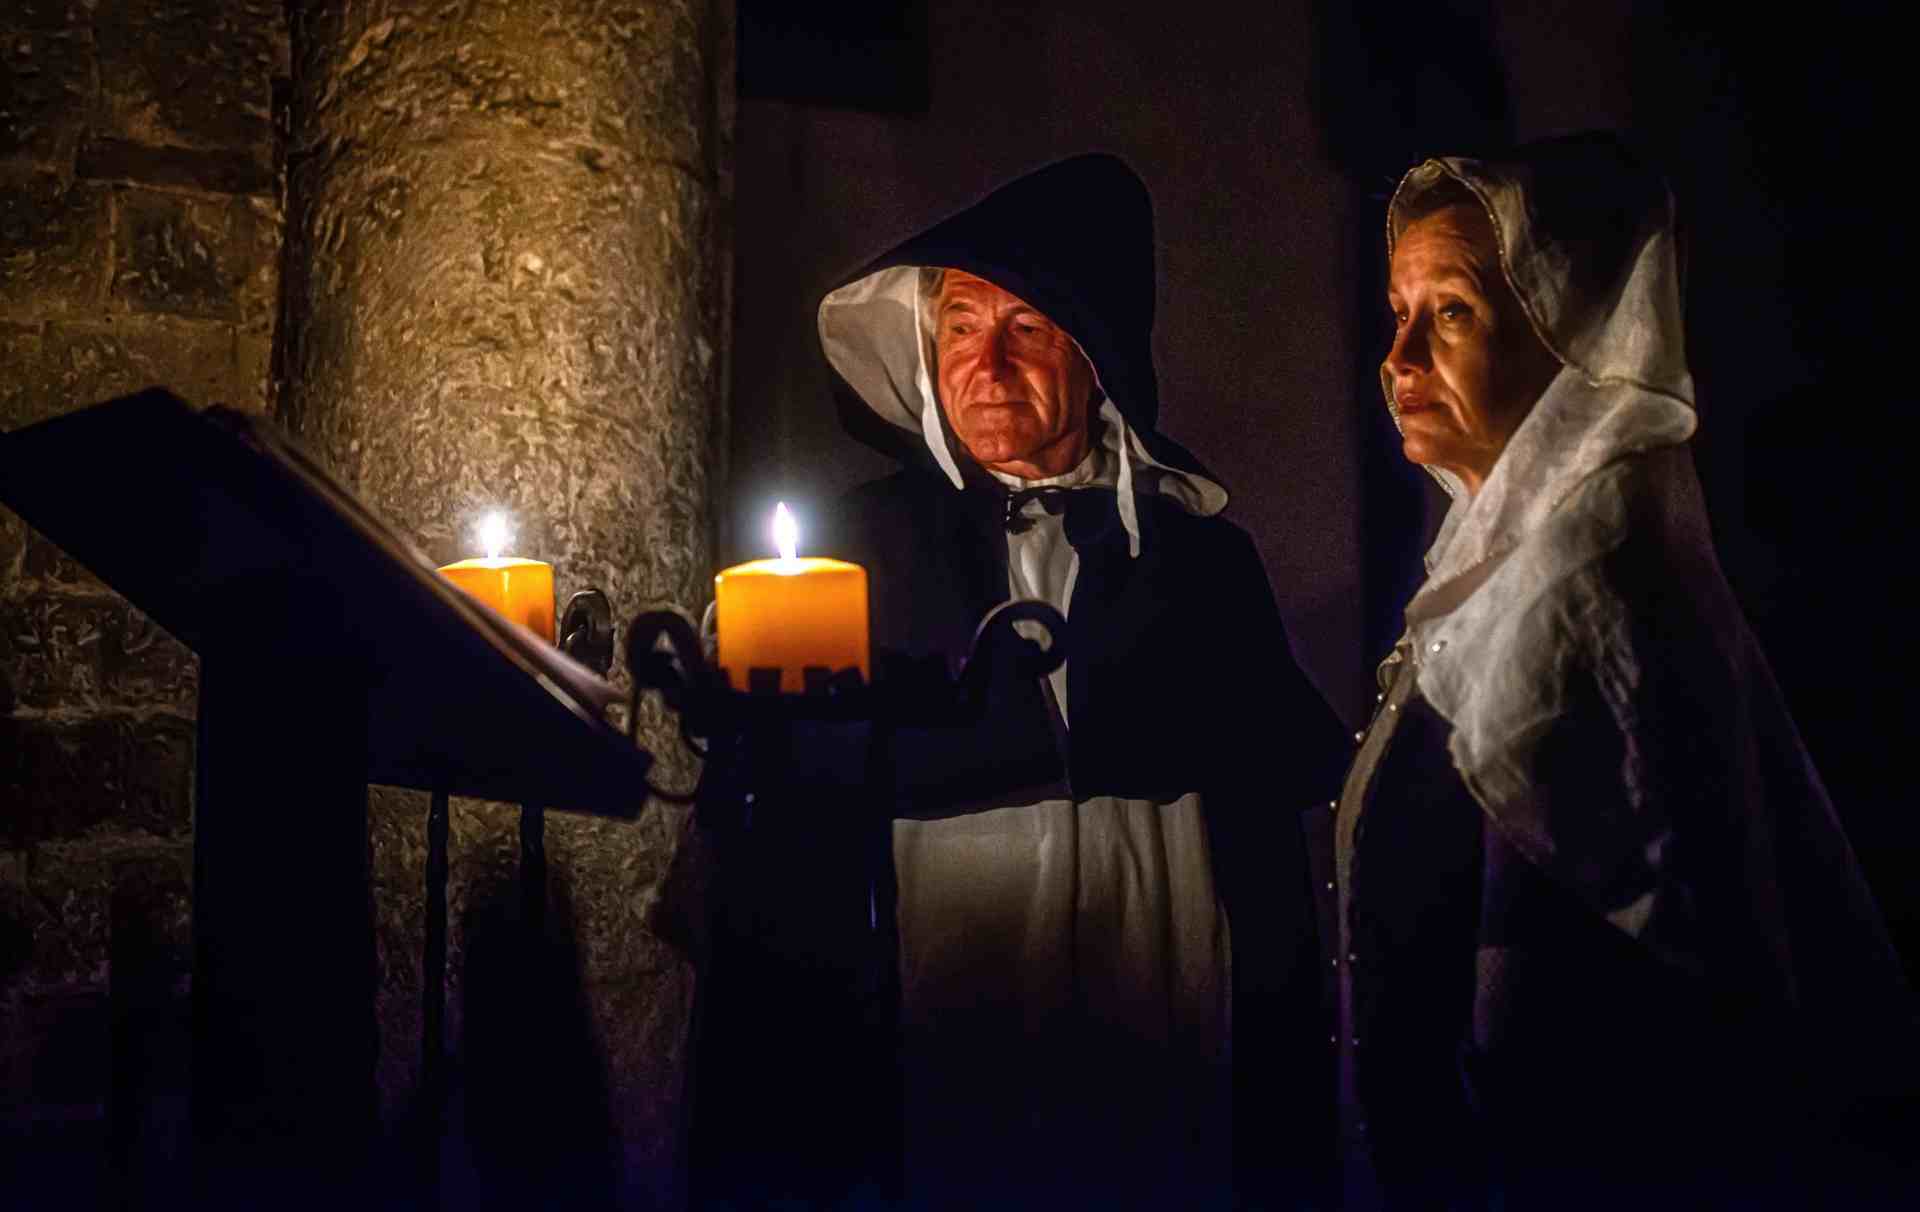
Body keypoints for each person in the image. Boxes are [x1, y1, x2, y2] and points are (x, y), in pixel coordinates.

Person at [1314, 132, 1917, 1209]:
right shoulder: (1495, 567)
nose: (1398, 358)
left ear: (1570, 335)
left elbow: (1564, 1031)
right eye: (1398, 312)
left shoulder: (1586, 593)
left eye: (1450, 311)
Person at [816, 154, 1347, 1208]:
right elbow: (802, 837)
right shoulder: (855, 551)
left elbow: (1267, 868)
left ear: (1095, 352)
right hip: (947, 979)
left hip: (1161, 973)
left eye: (1028, 327)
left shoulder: (1200, 558)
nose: (986, 361)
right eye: (961, 325)